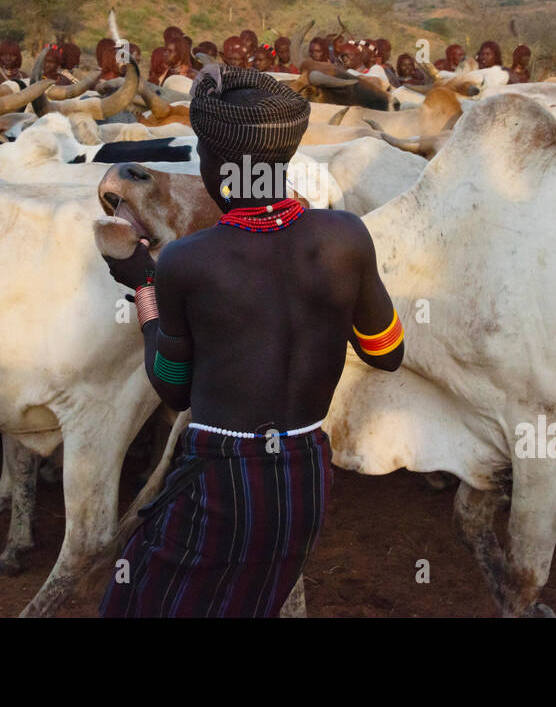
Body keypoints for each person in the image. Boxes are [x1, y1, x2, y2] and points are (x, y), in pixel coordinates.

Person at [99, 65, 404, 618]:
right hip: (304, 475)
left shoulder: (188, 262)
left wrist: (143, 288)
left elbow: (173, 389)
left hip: (222, 474)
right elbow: (387, 353)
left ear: (214, 163)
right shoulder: (346, 239)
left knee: (139, 601)